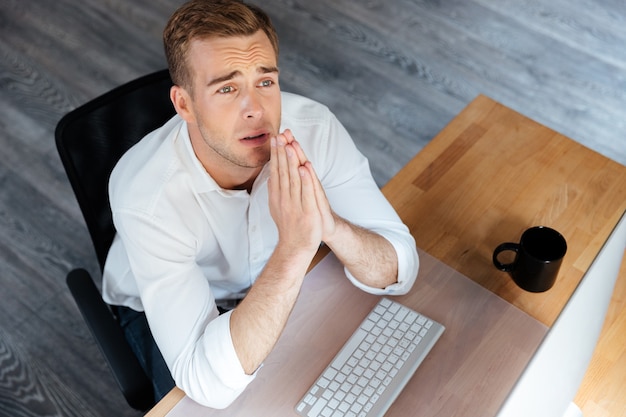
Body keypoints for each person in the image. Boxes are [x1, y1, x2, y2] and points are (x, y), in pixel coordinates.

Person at [102, 0, 419, 409]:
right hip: (157, 306)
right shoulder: (146, 197)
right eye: (227, 89)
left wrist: (330, 226)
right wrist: (295, 247)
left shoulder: (315, 128)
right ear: (184, 104)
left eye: (265, 82)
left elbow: (401, 268)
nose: (256, 110)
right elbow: (207, 383)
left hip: (270, 281)